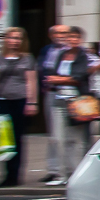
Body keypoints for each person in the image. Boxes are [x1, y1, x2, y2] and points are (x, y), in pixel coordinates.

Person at [0, 27, 38, 188]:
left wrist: (32, 102)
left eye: (18, 38)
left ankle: (15, 175)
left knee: (17, 139)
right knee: (3, 139)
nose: (14, 41)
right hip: (3, 101)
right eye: (11, 38)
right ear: (5, 40)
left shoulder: (27, 59)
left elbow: (31, 81)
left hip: (20, 101)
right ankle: (6, 174)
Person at [44, 27, 93, 185]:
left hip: (77, 100)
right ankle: (61, 174)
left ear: (80, 40)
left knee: (75, 140)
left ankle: (75, 174)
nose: (72, 40)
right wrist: (57, 80)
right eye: (70, 37)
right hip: (59, 99)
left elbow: (79, 76)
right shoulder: (61, 54)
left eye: (76, 37)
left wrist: (58, 80)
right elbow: (52, 74)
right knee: (58, 139)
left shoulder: (83, 55)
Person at [35, 24, 68, 182]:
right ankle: (53, 169)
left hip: (69, 95)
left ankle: (66, 170)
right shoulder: (46, 50)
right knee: (53, 136)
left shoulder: (73, 50)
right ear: (51, 35)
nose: (60, 35)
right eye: (57, 32)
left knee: (67, 136)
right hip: (50, 93)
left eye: (64, 32)